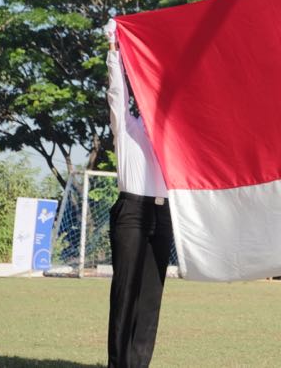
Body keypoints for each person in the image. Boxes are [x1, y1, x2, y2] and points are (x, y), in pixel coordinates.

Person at [104, 20, 173, 367]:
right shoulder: (127, 127)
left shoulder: (173, 135)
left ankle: (139, 364)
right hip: (132, 211)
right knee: (125, 292)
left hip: (164, 214)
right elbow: (118, 93)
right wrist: (114, 53)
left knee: (151, 297)